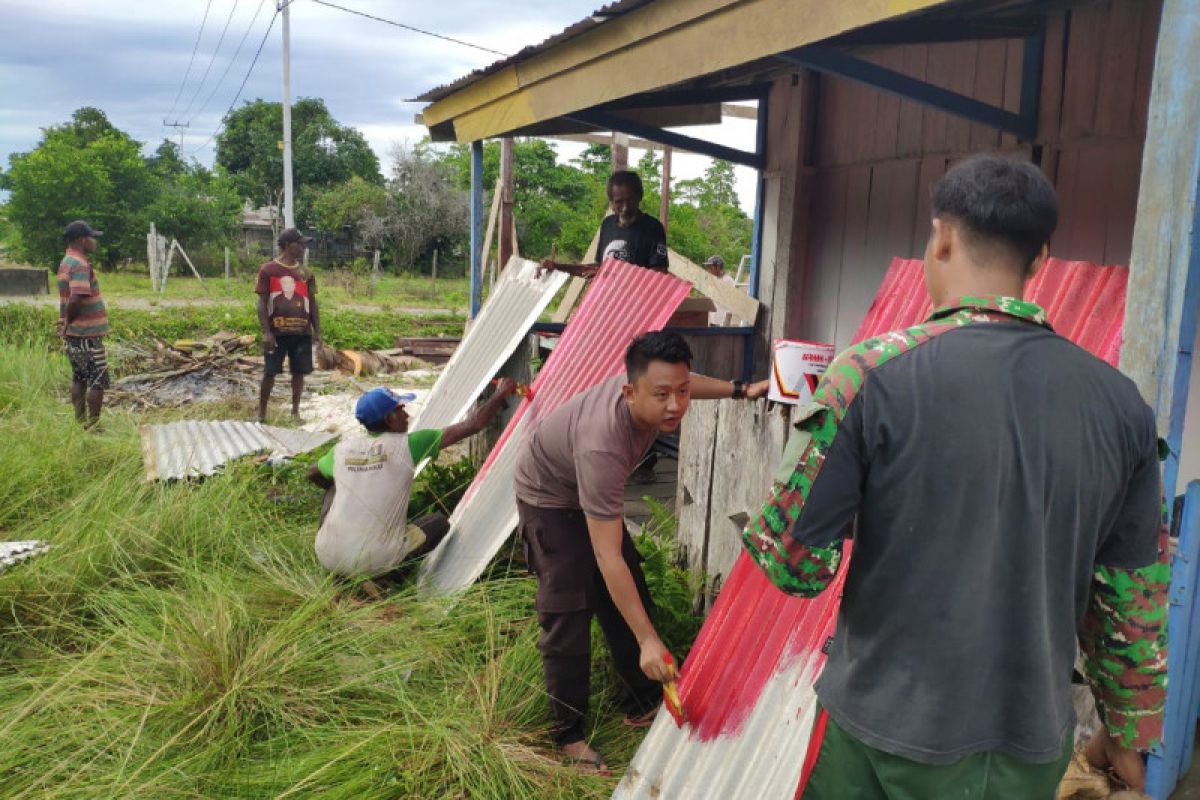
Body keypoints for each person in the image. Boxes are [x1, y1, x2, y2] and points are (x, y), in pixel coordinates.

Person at [739, 155, 1167, 798]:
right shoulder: (1122, 405)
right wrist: (1128, 733)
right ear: (1040, 258)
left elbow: (794, 564)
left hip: (874, 737)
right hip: (1029, 745)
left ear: (940, 237)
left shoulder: (869, 377)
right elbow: (1130, 601)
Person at [513, 331, 767, 773]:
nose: (676, 405)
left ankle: (643, 698)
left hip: (589, 493)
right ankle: (567, 735)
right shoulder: (602, 444)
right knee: (568, 609)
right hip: (549, 499)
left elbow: (685, 382)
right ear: (629, 391)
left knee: (629, 594)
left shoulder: (654, 388)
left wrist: (740, 389)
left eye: (682, 392)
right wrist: (650, 639)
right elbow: (605, 556)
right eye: (662, 395)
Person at [306, 379, 517, 588]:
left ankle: (343, 576)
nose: (407, 415)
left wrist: (346, 490)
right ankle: (386, 579)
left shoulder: (342, 450)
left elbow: (312, 473)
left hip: (328, 554)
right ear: (389, 419)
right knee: (437, 523)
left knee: (335, 488)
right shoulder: (408, 445)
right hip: (376, 560)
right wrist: (500, 394)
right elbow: (473, 424)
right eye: (401, 411)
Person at [539, 170, 668, 278]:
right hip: (607, 302)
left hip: (636, 304)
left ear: (639, 197)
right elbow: (598, 268)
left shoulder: (652, 228)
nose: (625, 208)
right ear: (611, 202)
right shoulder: (608, 225)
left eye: (630, 200)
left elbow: (659, 275)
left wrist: (609, 274)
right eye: (619, 202)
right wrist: (557, 266)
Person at [256, 228, 320, 423]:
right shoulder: (268, 270)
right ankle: (262, 413)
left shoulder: (305, 272)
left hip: (301, 332)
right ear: (287, 245)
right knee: (270, 372)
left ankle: (295, 412)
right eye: (299, 244)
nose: (302, 247)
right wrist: (267, 332)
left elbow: (312, 302)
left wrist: (317, 331)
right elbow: (262, 303)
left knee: (299, 372)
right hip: (276, 333)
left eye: (303, 244)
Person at [57, 220, 110, 427]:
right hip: (87, 334)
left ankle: (80, 424)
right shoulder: (79, 264)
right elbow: (77, 297)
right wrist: (68, 322)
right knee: (98, 379)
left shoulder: (66, 260)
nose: (94, 242)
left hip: (74, 335)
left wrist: (66, 325)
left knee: (79, 377)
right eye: (92, 238)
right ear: (81, 239)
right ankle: (94, 426)